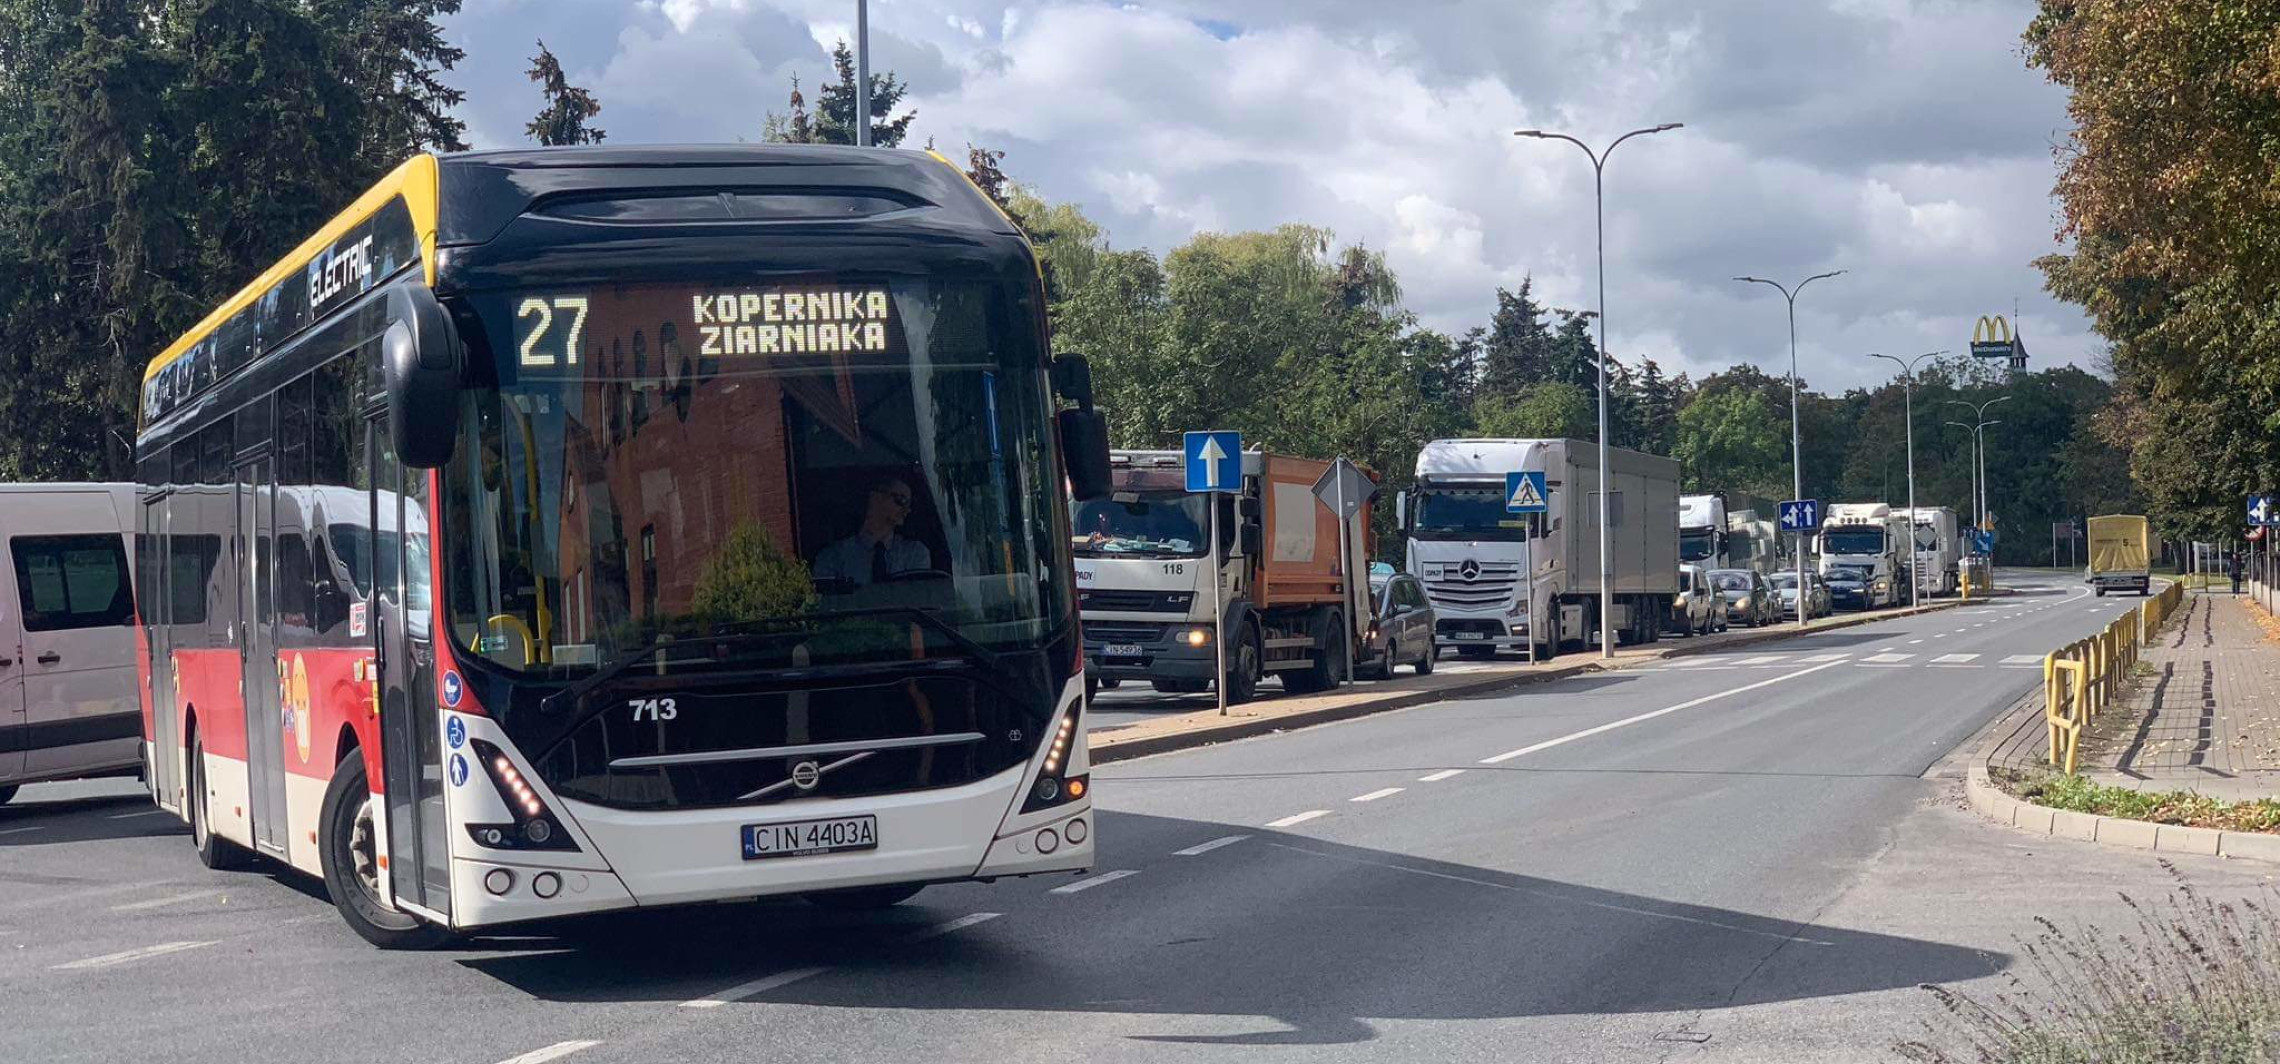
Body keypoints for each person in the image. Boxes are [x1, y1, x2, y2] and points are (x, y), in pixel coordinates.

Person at [813, 476, 933, 588]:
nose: (906, 510)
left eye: (909, 504)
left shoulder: (915, 553)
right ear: (875, 498)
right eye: (901, 500)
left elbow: (917, 598)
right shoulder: (833, 557)